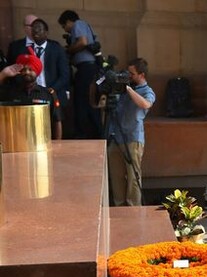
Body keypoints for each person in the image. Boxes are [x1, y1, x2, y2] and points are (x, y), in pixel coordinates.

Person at [107, 58, 155, 206]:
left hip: (132, 137)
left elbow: (145, 104)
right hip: (115, 136)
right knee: (116, 175)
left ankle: (133, 206)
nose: (128, 76)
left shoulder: (147, 91)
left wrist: (128, 89)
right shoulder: (120, 89)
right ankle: (119, 204)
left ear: (141, 75)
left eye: (131, 74)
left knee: (133, 175)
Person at [58, 10, 102, 139]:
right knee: (87, 100)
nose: (65, 30)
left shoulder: (78, 24)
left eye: (64, 26)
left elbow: (82, 42)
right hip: (86, 69)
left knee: (82, 101)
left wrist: (67, 50)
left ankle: (82, 133)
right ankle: (93, 131)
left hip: (86, 69)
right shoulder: (82, 26)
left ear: (68, 21)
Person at [0, 50, 63, 139]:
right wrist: (3, 74)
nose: (27, 72)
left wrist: (58, 144)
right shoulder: (10, 92)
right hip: (16, 142)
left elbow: (57, 121)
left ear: (37, 72)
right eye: (24, 69)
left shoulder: (48, 94)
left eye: (31, 69)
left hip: (41, 143)